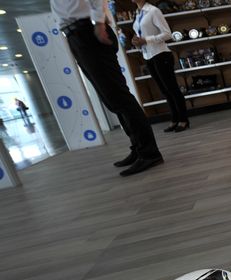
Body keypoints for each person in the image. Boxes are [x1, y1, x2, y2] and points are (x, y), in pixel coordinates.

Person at [50, 0, 164, 177]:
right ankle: (138, 148)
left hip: (88, 30)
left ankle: (149, 153)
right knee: (111, 98)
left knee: (118, 96)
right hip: (77, 34)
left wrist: (100, 23)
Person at [130, 0, 189, 132]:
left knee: (172, 89)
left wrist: (146, 40)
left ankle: (183, 119)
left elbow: (167, 34)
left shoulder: (153, 11)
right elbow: (141, 33)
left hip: (161, 54)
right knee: (164, 90)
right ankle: (175, 119)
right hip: (148, 55)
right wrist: (138, 42)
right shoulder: (138, 13)